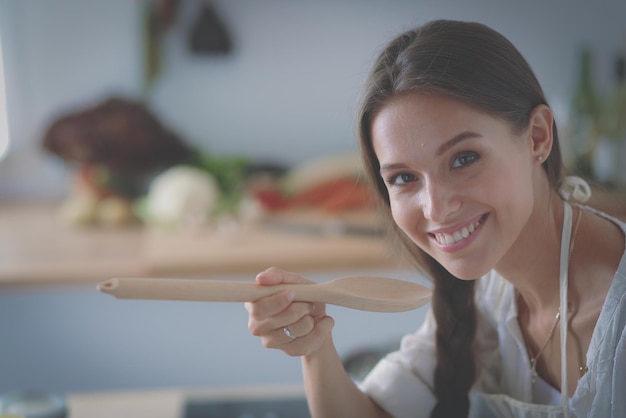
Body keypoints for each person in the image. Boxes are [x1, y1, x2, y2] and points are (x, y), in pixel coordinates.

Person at [245, 20, 626, 418]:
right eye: (404, 178)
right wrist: (314, 348)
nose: (436, 208)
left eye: (463, 159)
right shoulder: (482, 293)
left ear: (537, 137)